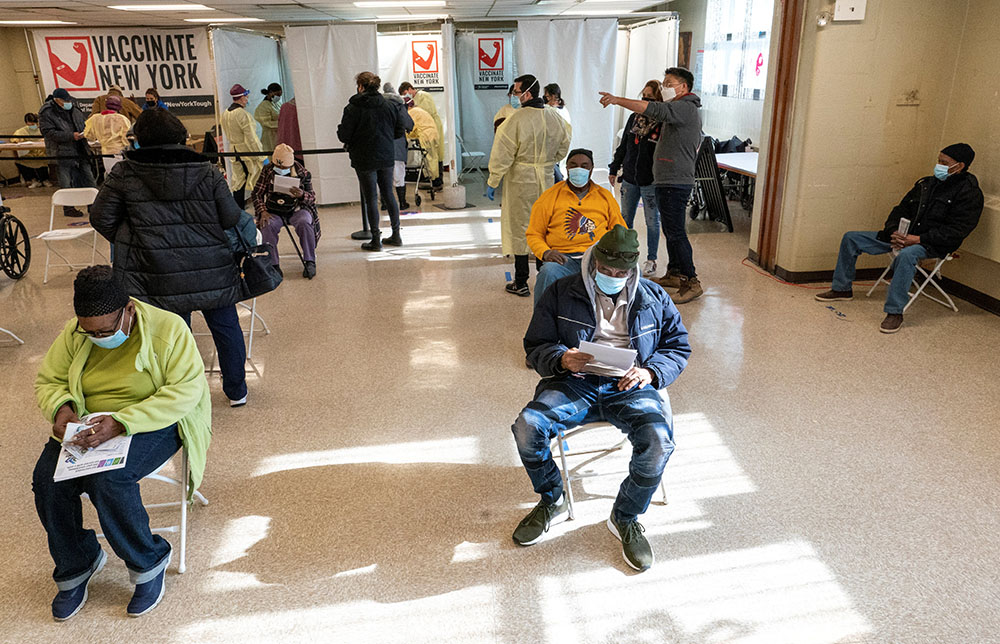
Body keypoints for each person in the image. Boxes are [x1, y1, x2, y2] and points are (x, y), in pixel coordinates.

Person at [32, 265, 211, 620]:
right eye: (88, 331)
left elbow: (185, 391)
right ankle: (77, 563)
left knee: (109, 480)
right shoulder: (75, 333)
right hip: (91, 420)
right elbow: (49, 380)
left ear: (129, 309)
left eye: (105, 330)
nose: (96, 337)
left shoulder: (168, 329)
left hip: (152, 418)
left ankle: (149, 560)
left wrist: (122, 422)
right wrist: (62, 409)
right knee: (47, 482)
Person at [511, 225, 690, 572]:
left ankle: (625, 516)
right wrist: (561, 358)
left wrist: (650, 373)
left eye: (621, 273)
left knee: (658, 440)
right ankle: (552, 499)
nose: (612, 277)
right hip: (574, 381)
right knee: (527, 428)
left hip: (630, 384)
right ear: (594, 263)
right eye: (605, 270)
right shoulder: (562, 292)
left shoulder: (653, 296)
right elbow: (536, 346)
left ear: (633, 269)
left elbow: (677, 345)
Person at [90, 108, 250, 407]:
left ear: (139, 139)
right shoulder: (207, 171)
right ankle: (237, 390)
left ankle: (182, 395)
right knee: (226, 327)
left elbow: (100, 217)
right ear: (180, 136)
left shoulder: (124, 173)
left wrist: (132, 239)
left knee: (172, 336)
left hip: (153, 270)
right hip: (211, 266)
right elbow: (230, 217)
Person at [815, 143, 984, 333]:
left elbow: (956, 231)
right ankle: (842, 289)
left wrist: (917, 239)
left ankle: (895, 312)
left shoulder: (970, 194)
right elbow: (900, 209)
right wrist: (894, 231)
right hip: (902, 236)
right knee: (851, 238)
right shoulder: (926, 184)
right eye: (939, 161)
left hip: (930, 244)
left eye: (944, 162)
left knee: (906, 255)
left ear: (959, 166)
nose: (939, 165)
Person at [600, 67, 704, 303]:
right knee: (671, 230)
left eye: (669, 83)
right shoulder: (680, 109)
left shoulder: (685, 107)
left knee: (675, 232)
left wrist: (617, 100)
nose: (665, 87)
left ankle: (691, 279)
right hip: (666, 180)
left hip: (675, 181)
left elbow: (654, 108)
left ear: (683, 87)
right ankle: (675, 273)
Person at [487, 73, 572, 297]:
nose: (515, 96)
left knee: (521, 229)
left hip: (520, 180)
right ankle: (546, 279)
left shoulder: (515, 120)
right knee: (544, 227)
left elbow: (502, 152)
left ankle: (521, 281)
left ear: (527, 93)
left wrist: (494, 179)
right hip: (545, 178)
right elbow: (564, 145)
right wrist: (549, 161)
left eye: (516, 92)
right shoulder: (555, 117)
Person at [527, 148, 626, 305]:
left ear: (591, 169)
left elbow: (620, 231)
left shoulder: (604, 197)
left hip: (598, 258)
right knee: (547, 273)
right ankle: (542, 324)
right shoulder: (549, 197)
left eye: (584, 166)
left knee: (630, 276)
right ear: (566, 168)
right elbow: (534, 233)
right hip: (563, 259)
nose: (578, 169)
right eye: (573, 165)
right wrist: (545, 252)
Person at [339, 71, 405, 251]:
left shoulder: (352, 108)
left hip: (364, 157)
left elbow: (343, 135)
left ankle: (376, 239)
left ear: (360, 87)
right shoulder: (389, 105)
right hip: (385, 155)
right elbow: (399, 131)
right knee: (389, 194)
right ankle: (396, 235)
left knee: (371, 198)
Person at [609, 80, 664, 277]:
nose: (645, 102)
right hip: (630, 178)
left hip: (651, 181)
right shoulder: (633, 119)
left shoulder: (663, 124)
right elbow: (624, 146)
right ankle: (627, 255)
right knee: (625, 219)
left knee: (652, 222)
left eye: (650, 99)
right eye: (644, 97)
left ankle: (651, 259)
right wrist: (614, 168)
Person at [251, 143, 321, 279]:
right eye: (278, 166)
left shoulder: (303, 173)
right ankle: (274, 265)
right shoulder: (267, 170)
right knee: (267, 224)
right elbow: (256, 194)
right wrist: (263, 211)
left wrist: (302, 195)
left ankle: (310, 261)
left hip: (297, 209)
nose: (280, 169)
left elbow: (312, 198)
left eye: (283, 167)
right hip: (273, 210)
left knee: (305, 222)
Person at [39, 88, 96, 218]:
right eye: (64, 100)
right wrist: (70, 136)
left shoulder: (74, 108)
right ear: (57, 100)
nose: (67, 102)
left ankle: (94, 205)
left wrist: (86, 132)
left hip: (81, 149)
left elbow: (83, 123)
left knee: (89, 178)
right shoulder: (47, 112)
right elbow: (48, 133)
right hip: (62, 152)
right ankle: (68, 207)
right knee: (66, 182)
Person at [220, 83, 264, 210]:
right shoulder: (242, 114)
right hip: (247, 153)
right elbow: (251, 138)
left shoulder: (225, 114)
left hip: (234, 152)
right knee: (257, 180)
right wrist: (260, 155)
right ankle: (260, 209)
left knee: (238, 182)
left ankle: (238, 210)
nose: (247, 100)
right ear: (241, 98)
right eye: (246, 97)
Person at [399, 82, 444, 188]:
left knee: (434, 155)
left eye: (406, 93)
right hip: (426, 127)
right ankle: (431, 179)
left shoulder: (424, 96)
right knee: (429, 155)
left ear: (410, 89)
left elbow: (424, 114)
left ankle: (437, 181)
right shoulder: (414, 103)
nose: (406, 96)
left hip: (430, 126)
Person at [383, 83, 415, 210]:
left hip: (382, 146)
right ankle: (402, 203)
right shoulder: (399, 105)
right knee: (399, 174)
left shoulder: (378, 105)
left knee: (384, 176)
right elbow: (408, 124)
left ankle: (385, 204)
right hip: (397, 144)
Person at [404, 94, 440, 184]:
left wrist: (405, 136)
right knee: (433, 157)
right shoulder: (419, 110)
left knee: (428, 159)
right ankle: (435, 179)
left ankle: (432, 180)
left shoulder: (411, 112)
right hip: (433, 134)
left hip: (426, 136)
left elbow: (411, 128)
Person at [11, 112, 52, 188]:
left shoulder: (41, 129)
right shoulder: (22, 131)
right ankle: (33, 180)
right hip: (30, 153)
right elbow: (15, 139)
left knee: (42, 160)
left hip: (41, 152)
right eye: (30, 125)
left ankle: (44, 179)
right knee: (21, 162)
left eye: (33, 124)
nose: (32, 126)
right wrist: (18, 141)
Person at [543, 83, 572, 182]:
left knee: (557, 173)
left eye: (547, 96)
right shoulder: (560, 109)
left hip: (556, 147)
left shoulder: (556, 111)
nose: (546, 99)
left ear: (553, 96)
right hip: (558, 147)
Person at [255, 83, 282, 153]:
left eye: (280, 95)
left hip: (279, 134)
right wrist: (282, 124)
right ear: (270, 93)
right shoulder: (263, 106)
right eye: (277, 95)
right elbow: (267, 123)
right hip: (270, 137)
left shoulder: (277, 103)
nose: (278, 97)